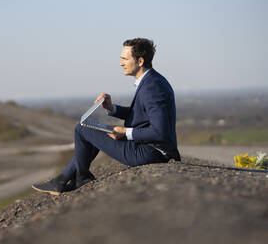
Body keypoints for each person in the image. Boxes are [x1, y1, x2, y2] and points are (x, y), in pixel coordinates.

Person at [32, 38, 181, 195]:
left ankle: (80, 178)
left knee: (82, 128)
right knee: (93, 130)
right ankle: (61, 181)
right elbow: (141, 114)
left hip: (150, 153)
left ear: (140, 61)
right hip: (148, 148)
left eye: (124, 59)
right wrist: (112, 108)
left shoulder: (153, 87)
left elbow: (160, 131)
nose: (121, 63)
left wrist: (125, 132)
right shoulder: (152, 81)